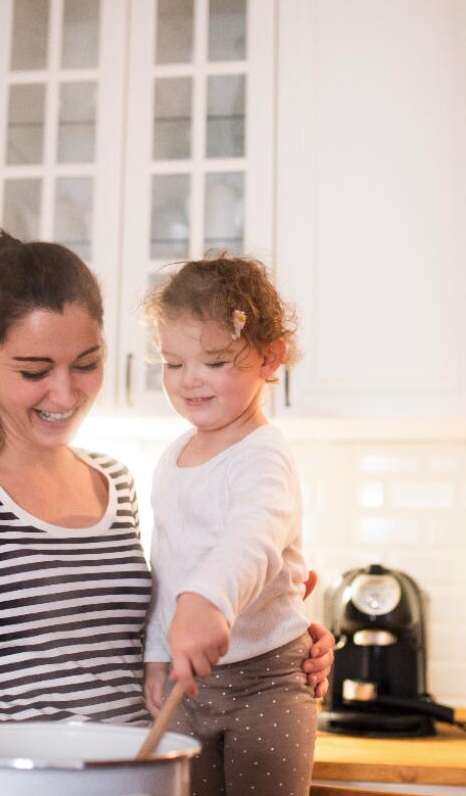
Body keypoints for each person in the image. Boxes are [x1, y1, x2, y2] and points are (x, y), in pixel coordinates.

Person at [0, 234, 333, 759]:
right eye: (34, 371)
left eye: (86, 363)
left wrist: (272, 642)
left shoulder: (114, 481)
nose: (64, 394)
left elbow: (172, 626)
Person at [141, 255, 319, 796]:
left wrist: (210, 599)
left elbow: (254, 536)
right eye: (173, 363)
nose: (189, 380)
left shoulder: (263, 454)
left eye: (214, 361)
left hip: (267, 681)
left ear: (270, 357)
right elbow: (165, 567)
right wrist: (155, 654)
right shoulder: (172, 458)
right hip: (187, 684)